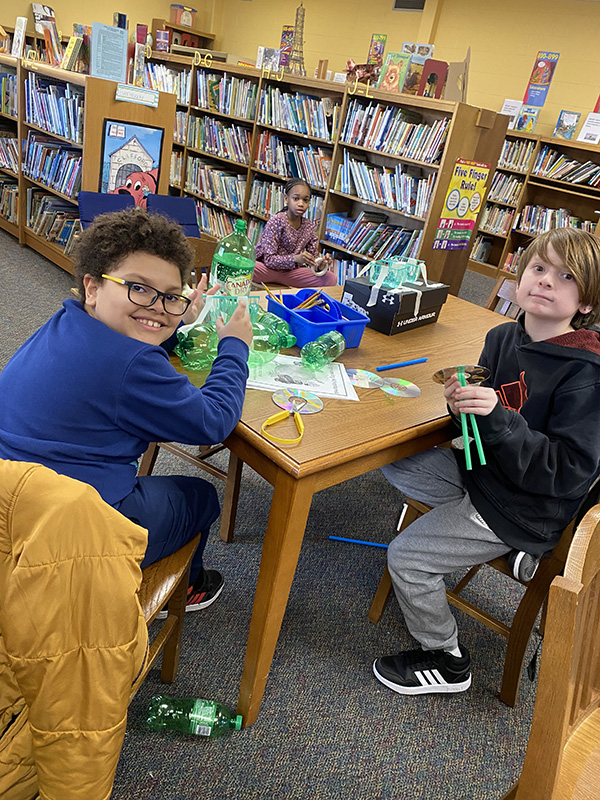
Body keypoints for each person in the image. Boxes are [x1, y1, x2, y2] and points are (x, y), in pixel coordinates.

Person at [373, 227, 600, 696]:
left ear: (586, 303)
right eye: (538, 269)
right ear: (519, 279)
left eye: (565, 276)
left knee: (407, 558)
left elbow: (569, 471)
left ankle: (448, 658)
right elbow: (476, 431)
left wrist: (498, 420)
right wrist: (460, 411)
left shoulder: (585, 373)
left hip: (526, 505)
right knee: (392, 460)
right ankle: (504, 549)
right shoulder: (501, 338)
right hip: (485, 475)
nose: (545, 281)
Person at [0, 209, 253, 613]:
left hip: (13, 503)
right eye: (139, 288)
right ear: (94, 286)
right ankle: (190, 589)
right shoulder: (131, 366)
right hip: (71, 530)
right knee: (202, 495)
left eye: (171, 296)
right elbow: (214, 422)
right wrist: (235, 345)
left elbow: (126, 360)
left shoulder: (69, 319)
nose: (157, 306)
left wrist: (174, 321)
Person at [254, 178, 337, 288]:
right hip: (267, 269)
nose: (301, 204)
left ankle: (286, 282)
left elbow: (314, 260)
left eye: (305, 200)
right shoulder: (277, 221)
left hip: (292, 273)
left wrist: (321, 265)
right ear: (286, 199)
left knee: (331, 278)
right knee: (243, 266)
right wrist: (295, 259)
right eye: (296, 199)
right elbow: (269, 260)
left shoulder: (308, 226)